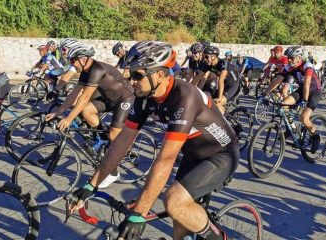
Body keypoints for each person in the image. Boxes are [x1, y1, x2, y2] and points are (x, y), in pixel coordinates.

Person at [68, 41, 239, 240]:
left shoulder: (185, 97)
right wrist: (91, 185)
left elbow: (165, 159)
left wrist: (139, 214)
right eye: (130, 74)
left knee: (174, 202)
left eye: (137, 75)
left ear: (159, 74)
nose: (131, 81)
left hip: (221, 154)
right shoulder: (144, 96)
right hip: (193, 154)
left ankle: (221, 238)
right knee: (179, 222)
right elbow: (122, 142)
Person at [45, 43, 135, 188]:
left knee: (114, 135)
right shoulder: (86, 71)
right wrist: (59, 111)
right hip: (109, 98)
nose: (71, 64)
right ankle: (104, 140)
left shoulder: (97, 70)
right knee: (86, 110)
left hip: (125, 98)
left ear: (83, 58)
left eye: (73, 60)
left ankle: (113, 172)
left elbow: (85, 96)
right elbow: (75, 93)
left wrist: (69, 119)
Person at [262, 46, 322, 153]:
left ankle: (315, 135)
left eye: (292, 58)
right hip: (302, 90)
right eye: (288, 58)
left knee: (304, 118)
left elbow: (307, 83)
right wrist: (265, 93)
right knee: (284, 103)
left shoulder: (307, 66)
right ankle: (291, 129)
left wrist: (305, 100)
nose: (289, 60)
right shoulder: (289, 67)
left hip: (314, 91)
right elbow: (278, 80)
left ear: (299, 57)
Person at [202, 46, 240, 114]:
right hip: (225, 85)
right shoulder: (209, 64)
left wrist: (219, 97)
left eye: (206, 57)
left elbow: (221, 80)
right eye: (204, 56)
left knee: (217, 104)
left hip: (233, 85)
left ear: (213, 57)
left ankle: (225, 123)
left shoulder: (223, 62)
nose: (205, 59)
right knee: (209, 101)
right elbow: (202, 76)